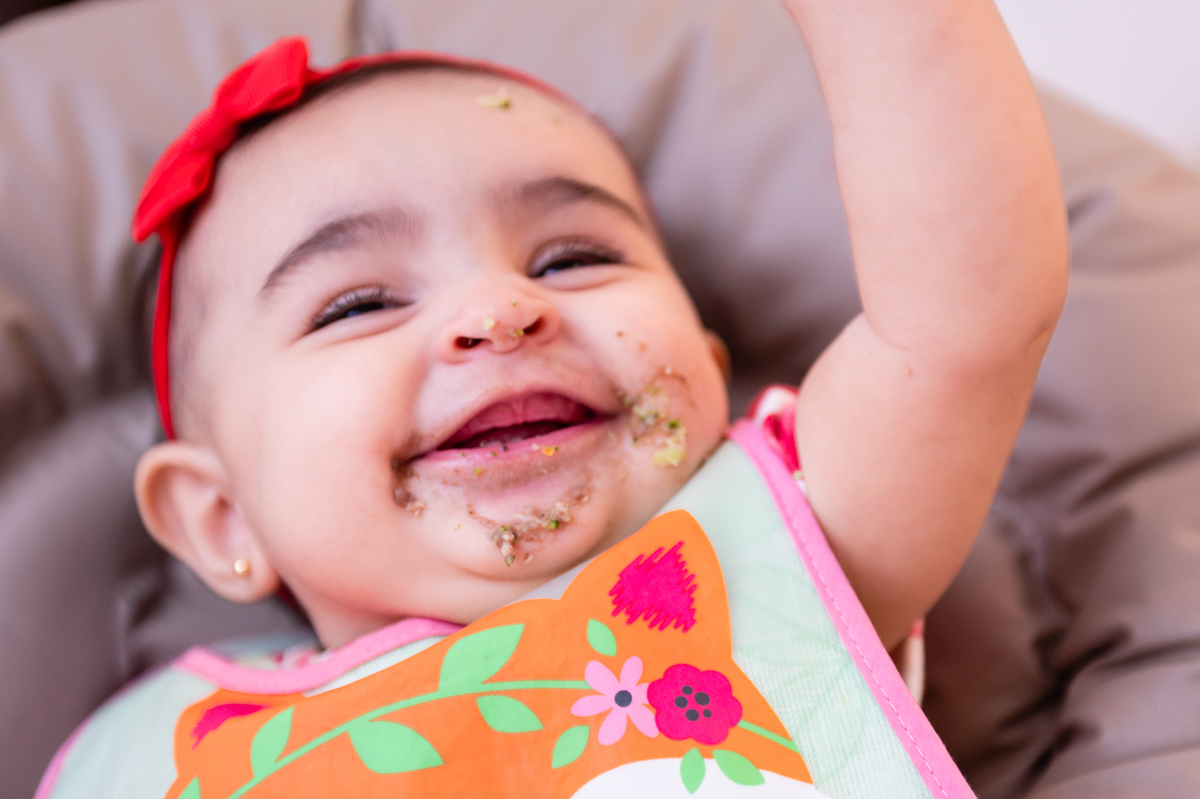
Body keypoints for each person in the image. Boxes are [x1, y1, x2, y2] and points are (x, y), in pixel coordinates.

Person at [36, 0, 1069, 796]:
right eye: (359, 304)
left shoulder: (775, 542)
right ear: (221, 516)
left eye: (572, 257)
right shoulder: (143, 757)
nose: (499, 310)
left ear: (709, 371)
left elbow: (964, 324)